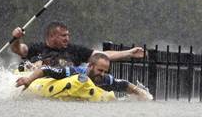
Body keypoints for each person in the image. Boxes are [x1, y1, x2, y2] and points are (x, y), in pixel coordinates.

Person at [16, 52, 153, 101]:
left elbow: (123, 84)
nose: (103, 74)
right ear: (90, 66)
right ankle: (31, 65)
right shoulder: (73, 72)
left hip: (86, 90)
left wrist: (142, 94)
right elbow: (46, 70)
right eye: (100, 70)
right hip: (53, 79)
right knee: (47, 65)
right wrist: (28, 80)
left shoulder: (104, 79)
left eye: (105, 71)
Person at [11, 21, 145, 67]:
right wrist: (16, 38)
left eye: (68, 35)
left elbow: (103, 55)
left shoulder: (75, 50)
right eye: (63, 36)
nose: (67, 38)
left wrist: (129, 52)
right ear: (51, 36)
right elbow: (18, 49)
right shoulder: (36, 48)